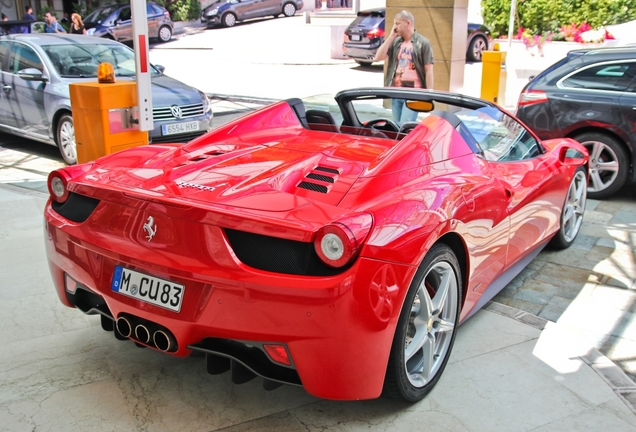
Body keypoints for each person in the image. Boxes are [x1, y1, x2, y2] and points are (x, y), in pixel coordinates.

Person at [374, 10, 434, 123]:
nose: (395, 27)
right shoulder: (396, 42)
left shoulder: (423, 43)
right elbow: (378, 57)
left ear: (408, 23)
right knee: (396, 126)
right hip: (396, 91)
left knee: (405, 125)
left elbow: (429, 70)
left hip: (413, 93)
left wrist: (429, 95)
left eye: (397, 23)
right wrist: (391, 36)